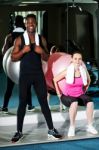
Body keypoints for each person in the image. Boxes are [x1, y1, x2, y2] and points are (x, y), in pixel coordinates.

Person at [11, 14, 63, 143]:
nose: (30, 24)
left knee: (44, 102)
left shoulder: (41, 39)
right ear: (25, 24)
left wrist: (42, 52)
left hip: (38, 75)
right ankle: (19, 132)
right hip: (25, 75)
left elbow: (47, 58)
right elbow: (13, 57)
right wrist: (23, 51)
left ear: (36, 24)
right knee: (22, 103)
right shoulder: (19, 40)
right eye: (28, 22)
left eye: (33, 22)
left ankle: (51, 129)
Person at [53, 51, 98, 137]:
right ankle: (72, 127)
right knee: (74, 103)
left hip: (79, 95)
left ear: (81, 60)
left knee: (90, 102)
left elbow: (88, 81)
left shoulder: (83, 70)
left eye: (79, 59)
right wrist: (58, 93)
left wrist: (84, 91)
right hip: (67, 96)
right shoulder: (68, 70)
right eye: (75, 59)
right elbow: (55, 79)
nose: (77, 61)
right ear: (72, 59)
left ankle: (89, 126)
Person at [1, 15, 35, 113]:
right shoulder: (28, 36)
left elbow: (4, 51)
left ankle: (4, 107)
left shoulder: (10, 36)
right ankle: (29, 105)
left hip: (12, 65)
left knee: (9, 87)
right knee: (27, 86)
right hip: (25, 64)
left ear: (15, 24)